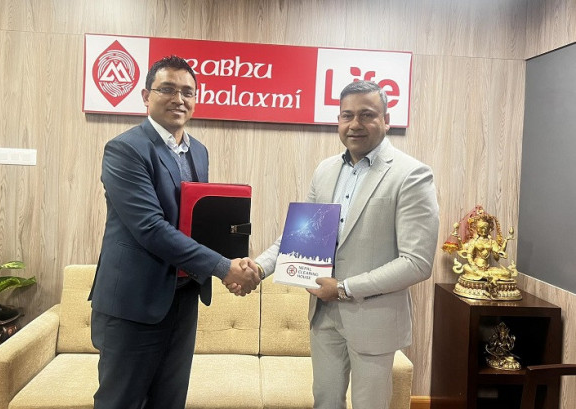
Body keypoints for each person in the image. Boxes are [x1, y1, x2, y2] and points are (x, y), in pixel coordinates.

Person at [234, 80, 439, 409]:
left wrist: (343, 288)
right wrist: (258, 267)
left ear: (386, 120)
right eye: (347, 115)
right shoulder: (325, 170)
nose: (355, 124)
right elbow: (301, 236)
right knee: (325, 402)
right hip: (324, 315)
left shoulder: (411, 175)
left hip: (374, 320)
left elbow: (417, 263)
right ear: (339, 120)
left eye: (367, 115)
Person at [89, 55, 260, 409]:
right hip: (134, 304)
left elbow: (196, 222)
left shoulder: (199, 151)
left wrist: (232, 254)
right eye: (167, 89)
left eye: (187, 92)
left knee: (170, 401)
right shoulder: (125, 149)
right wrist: (224, 267)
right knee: (121, 402)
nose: (178, 99)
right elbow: (151, 228)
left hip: (183, 300)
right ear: (145, 96)